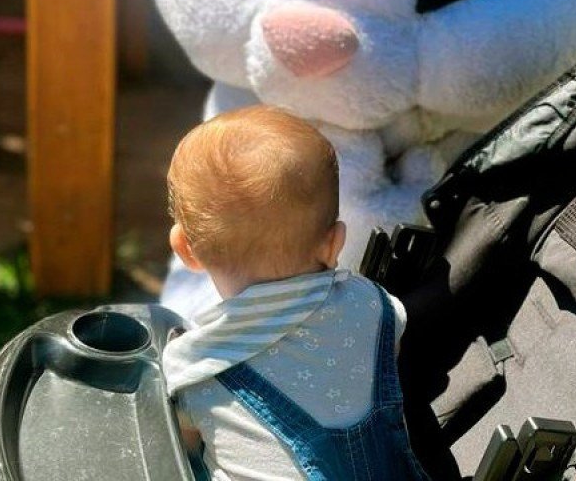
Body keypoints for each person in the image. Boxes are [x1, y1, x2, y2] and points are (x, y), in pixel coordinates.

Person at [162, 105, 430, 481]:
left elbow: (176, 456)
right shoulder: (375, 307)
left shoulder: (193, 367)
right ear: (335, 241)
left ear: (185, 250)